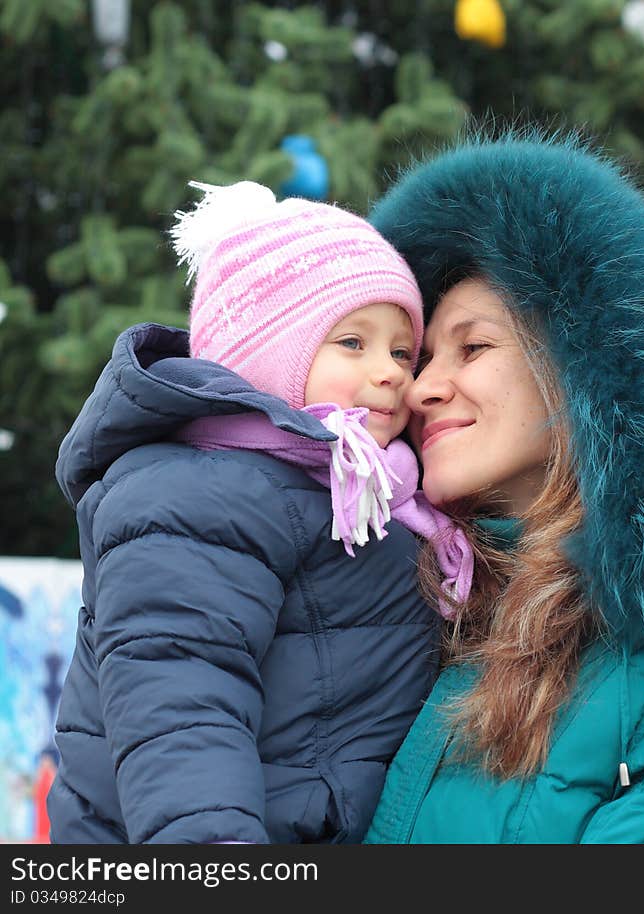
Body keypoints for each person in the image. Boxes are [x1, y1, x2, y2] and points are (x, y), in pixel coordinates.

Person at [363, 130, 644, 844]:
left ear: (587, 372)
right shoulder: (401, 599)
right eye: (421, 356)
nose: (421, 387)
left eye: (474, 346)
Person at [47, 181, 472, 844]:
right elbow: (183, 709)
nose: (392, 373)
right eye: (353, 343)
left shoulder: (373, 492)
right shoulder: (199, 492)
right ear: (265, 354)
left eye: (400, 350)